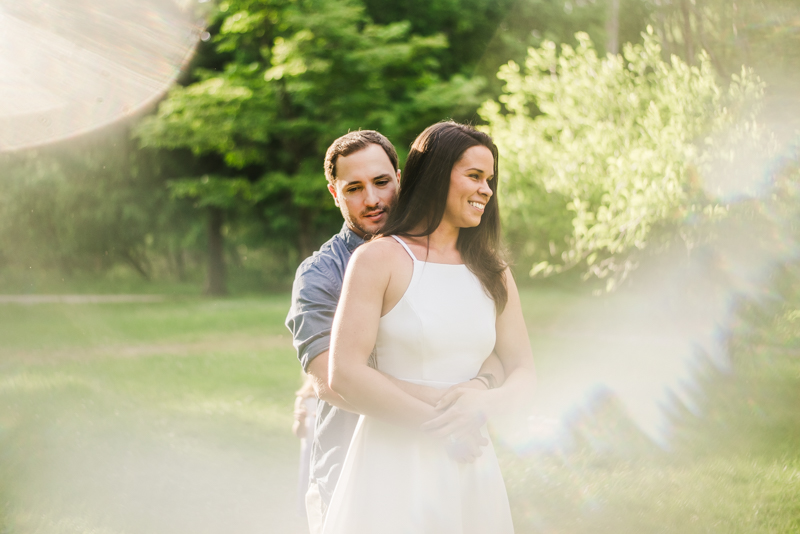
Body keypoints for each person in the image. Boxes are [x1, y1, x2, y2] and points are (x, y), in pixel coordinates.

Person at [285, 130, 505, 534]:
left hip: (449, 460)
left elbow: (481, 343)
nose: (372, 199)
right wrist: (446, 407)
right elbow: (331, 381)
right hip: (355, 464)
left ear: (400, 179)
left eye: (381, 182)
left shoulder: (444, 256)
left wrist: (480, 385)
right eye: (354, 188)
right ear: (335, 193)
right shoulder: (319, 275)